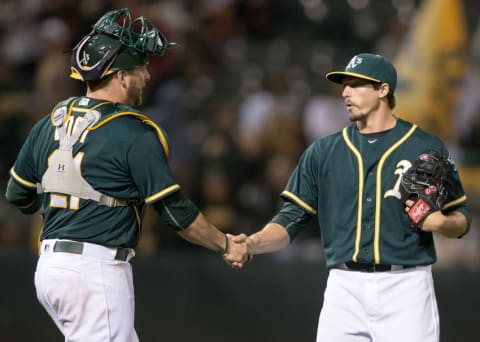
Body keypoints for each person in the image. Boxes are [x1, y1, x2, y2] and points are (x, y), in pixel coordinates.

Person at [5, 8, 249, 342]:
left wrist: (64, 204)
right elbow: (176, 212)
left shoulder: (49, 123)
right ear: (120, 76)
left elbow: (18, 195)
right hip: (94, 271)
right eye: (140, 69)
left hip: (50, 270)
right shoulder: (133, 132)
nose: (146, 77)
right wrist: (224, 244)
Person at [232, 53, 471, 342]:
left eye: (357, 84)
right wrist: (253, 243)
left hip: (406, 286)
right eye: (345, 85)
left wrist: (443, 225)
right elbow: (290, 219)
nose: (345, 92)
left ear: (383, 89)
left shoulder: (424, 146)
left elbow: (461, 217)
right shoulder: (322, 152)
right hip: (344, 287)